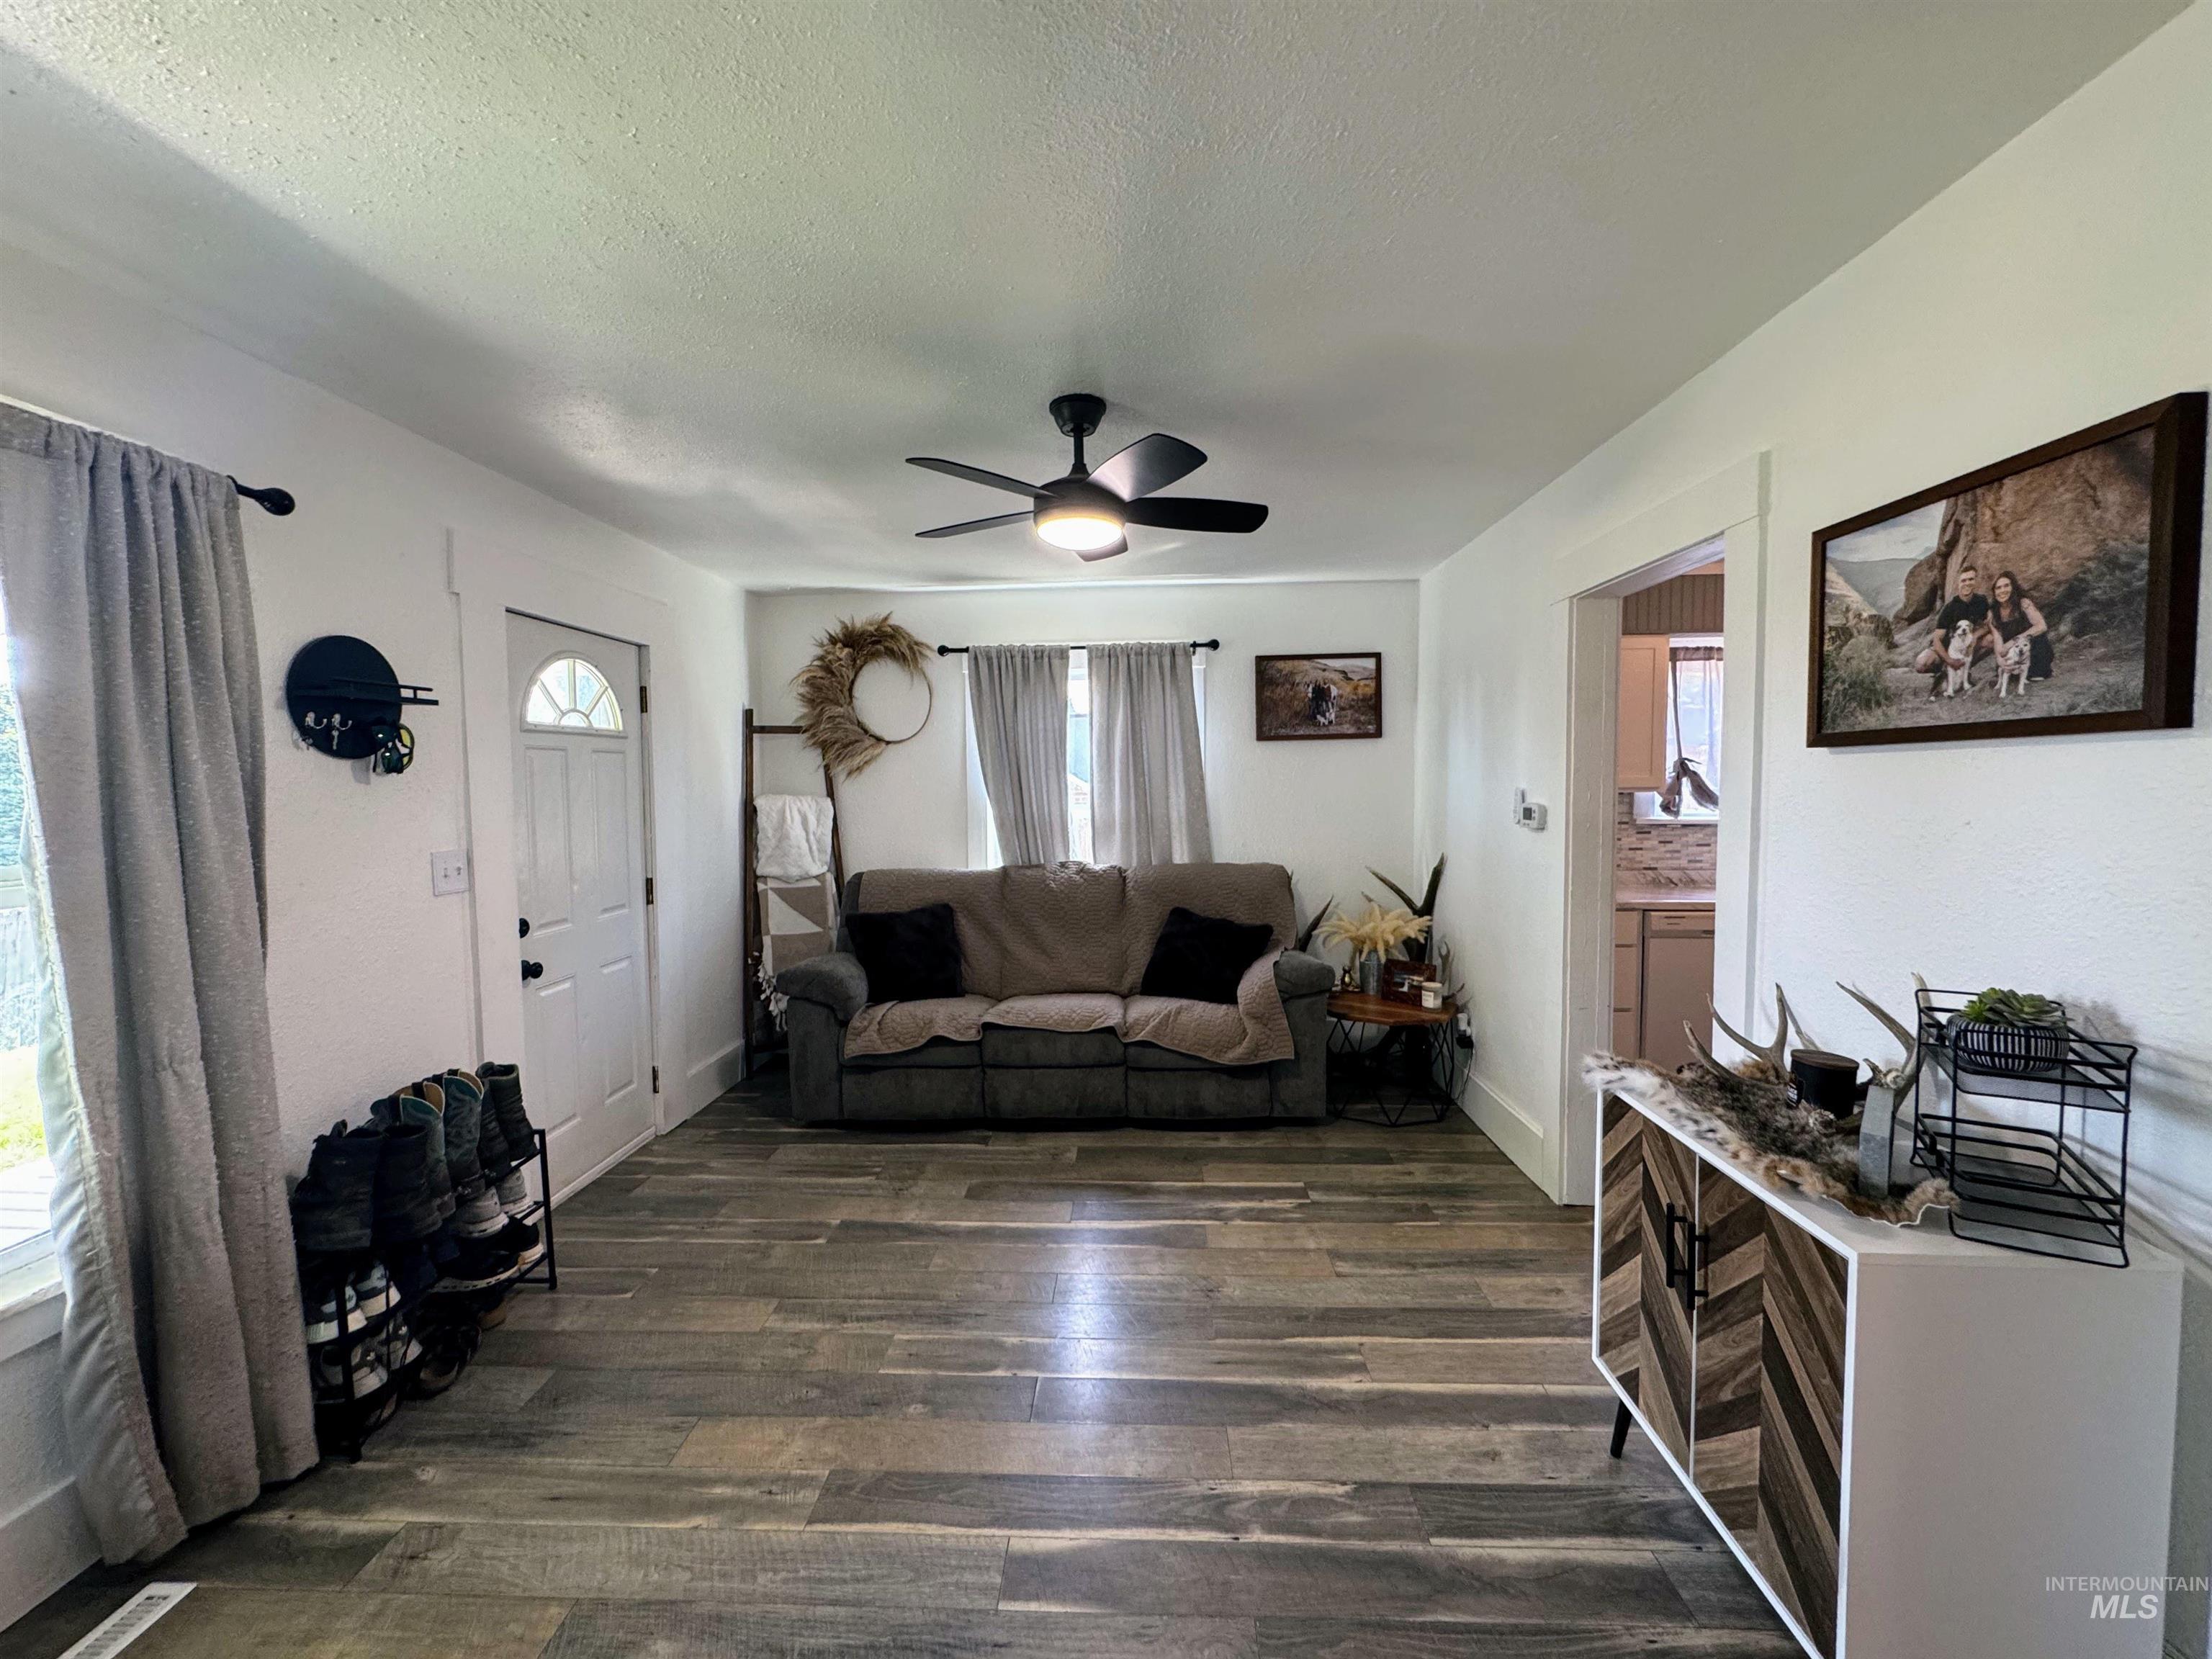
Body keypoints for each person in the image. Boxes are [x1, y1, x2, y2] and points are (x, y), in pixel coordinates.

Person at [1912, 564, 1993, 694]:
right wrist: (1949, 660)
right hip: (1945, 648)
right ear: (1958, 583)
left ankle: (1965, 670)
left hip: (1966, 646)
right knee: (1921, 664)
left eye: (1971, 579)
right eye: (1963, 580)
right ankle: (1944, 671)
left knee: (1991, 640)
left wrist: (1975, 636)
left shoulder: (1982, 601)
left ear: (1976, 581)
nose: (1967, 583)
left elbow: (1988, 625)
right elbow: (1937, 640)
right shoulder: (1950, 608)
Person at [1989, 570, 2054, 681]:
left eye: (2006, 586)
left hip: (2033, 648)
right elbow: (1997, 638)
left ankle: (2037, 671)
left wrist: (2013, 641)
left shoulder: (2024, 603)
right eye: (1998, 588)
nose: (2002, 590)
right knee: (2007, 671)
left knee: (2035, 673)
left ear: (2013, 588)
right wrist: (2000, 660)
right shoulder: (1993, 611)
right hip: (2013, 653)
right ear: (1994, 592)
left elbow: (2041, 626)